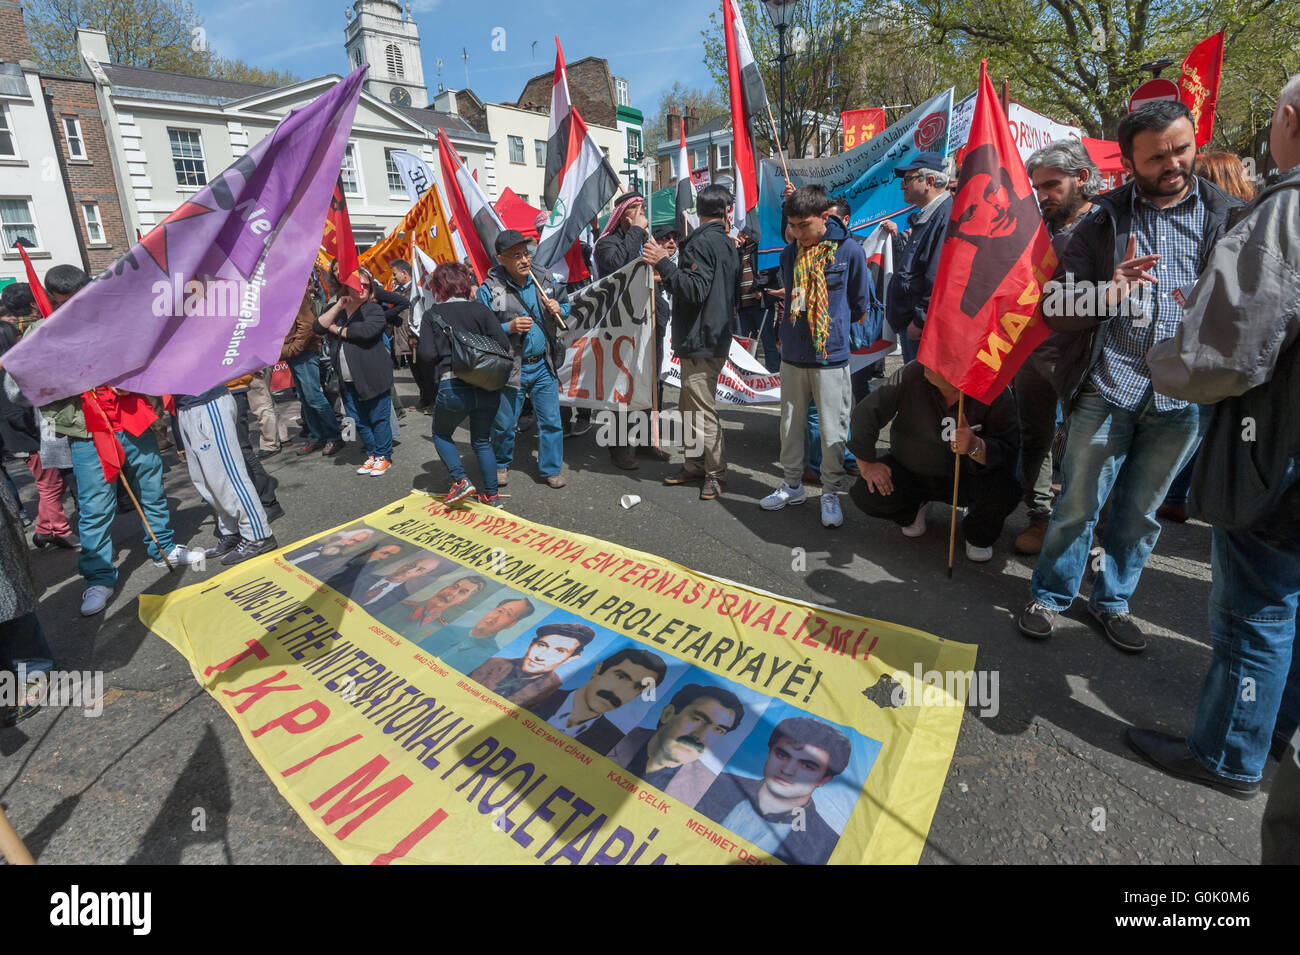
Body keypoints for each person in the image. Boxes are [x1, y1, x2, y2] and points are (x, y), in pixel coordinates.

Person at [1125, 77, 1300, 798]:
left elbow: (1220, 355)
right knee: (1288, 603)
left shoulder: (1283, 214)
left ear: (1288, 116)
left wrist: (1162, 355)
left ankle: (1230, 751)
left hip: (1274, 455)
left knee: (1255, 608)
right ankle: (1271, 736)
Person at [1018, 101, 1244, 652]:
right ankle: (1050, 594)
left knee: (1141, 511)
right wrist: (1106, 291)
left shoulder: (1232, 215)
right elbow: (1055, 308)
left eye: (1182, 149)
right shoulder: (1101, 222)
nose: (1173, 163)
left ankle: (1113, 601)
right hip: (1109, 385)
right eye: (1157, 156)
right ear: (1129, 160)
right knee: (1077, 501)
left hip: (1184, 401)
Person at [33, 265, 204, 616]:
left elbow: (149, 356)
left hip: (131, 420)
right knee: (95, 508)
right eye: (66, 302)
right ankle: (99, 577)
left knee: (152, 487)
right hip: (88, 432)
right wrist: (70, 389)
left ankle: (163, 547)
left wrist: (135, 380)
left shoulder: (116, 316)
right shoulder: (41, 333)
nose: (76, 306)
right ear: (53, 299)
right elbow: (27, 389)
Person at [760, 184, 873, 529]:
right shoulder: (789, 251)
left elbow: (860, 305)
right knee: (790, 424)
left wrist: (827, 326)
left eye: (803, 226)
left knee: (832, 428)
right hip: (793, 353)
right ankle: (792, 484)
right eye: (792, 226)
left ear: (825, 218)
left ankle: (829, 492)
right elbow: (795, 293)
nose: (797, 233)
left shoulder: (849, 251)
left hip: (830, 356)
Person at [1157, 151, 1260, 524]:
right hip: (1228, 344)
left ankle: (1166, 491)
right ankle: (1177, 494)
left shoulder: (1233, 226)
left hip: (1210, 341)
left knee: (1196, 415)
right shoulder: (1251, 222)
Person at [1014, 139, 1101, 555]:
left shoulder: (1107, 227)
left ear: (1082, 178)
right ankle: (1040, 516)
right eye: (1037, 187)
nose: (1043, 195)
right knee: (1035, 439)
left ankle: (1082, 526)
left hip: (1086, 361)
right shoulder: (1036, 227)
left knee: (1087, 449)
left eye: (1052, 185)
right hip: (1031, 355)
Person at [848, 362, 1021, 561]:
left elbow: (1008, 450)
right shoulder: (913, 372)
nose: (929, 360)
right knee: (868, 491)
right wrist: (867, 465)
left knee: (1006, 490)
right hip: (914, 472)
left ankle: (976, 528)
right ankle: (915, 507)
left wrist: (975, 446)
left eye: (941, 358)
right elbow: (866, 413)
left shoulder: (995, 388)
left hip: (971, 478)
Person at [643, 184, 740, 501]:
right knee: (689, 407)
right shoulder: (727, 243)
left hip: (701, 337)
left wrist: (663, 263)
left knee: (700, 409)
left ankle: (714, 472)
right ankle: (696, 464)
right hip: (713, 333)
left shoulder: (700, 244)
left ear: (697, 212)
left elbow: (695, 290)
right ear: (725, 211)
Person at [478, 230, 571, 489]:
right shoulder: (490, 289)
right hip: (510, 368)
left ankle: (550, 469)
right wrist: (509, 327)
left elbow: (566, 306)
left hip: (544, 364)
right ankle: (500, 464)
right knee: (505, 423)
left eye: (526, 253)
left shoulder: (545, 278)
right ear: (501, 259)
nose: (524, 260)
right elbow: (482, 329)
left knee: (551, 421)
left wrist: (558, 308)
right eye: (516, 255)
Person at [696, 716, 850, 865]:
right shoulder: (713, 783)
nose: (788, 770)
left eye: (807, 766)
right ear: (769, 753)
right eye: (782, 755)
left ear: (824, 780)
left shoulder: (827, 846)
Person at [420, 262, 512, 507]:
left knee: (441, 433)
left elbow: (426, 355)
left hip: (452, 384)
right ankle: (492, 495)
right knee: (482, 440)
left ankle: (461, 480)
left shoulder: (432, 315)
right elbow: (503, 344)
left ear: (439, 286)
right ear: (463, 283)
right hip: (486, 384)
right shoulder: (481, 310)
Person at [594, 191, 666, 469]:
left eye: (642, 208)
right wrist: (636, 230)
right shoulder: (606, 244)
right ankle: (619, 447)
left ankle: (647, 441)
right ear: (623, 214)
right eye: (635, 209)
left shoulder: (646, 242)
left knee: (650, 384)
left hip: (651, 321)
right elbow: (617, 267)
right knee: (621, 386)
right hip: (622, 325)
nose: (641, 214)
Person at [174, 383, 277, 566]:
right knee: (206, 480)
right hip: (185, 405)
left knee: (229, 475)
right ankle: (232, 531)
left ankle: (257, 535)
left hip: (207, 401)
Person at [605, 683, 746, 807]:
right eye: (697, 719)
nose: (701, 736)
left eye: (718, 730)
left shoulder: (709, 793)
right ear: (668, 714)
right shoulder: (607, 738)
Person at [314, 267, 396, 477]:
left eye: (367, 285)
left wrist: (337, 330)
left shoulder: (373, 310)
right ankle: (372, 454)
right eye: (358, 284)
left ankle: (383, 456)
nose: (363, 289)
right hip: (346, 380)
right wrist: (338, 306)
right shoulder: (339, 311)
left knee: (378, 417)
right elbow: (318, 327)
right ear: (347, 286)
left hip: (373, 375)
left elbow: (365, 332)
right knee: (357, 420)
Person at [530, 647, 668, 754]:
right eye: (620, 677)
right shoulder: (534, 696)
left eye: (637, 687)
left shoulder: (614, 744)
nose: (620, 692)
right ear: (598, 669)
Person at [883, 150, 952, 363]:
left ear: (929, 181)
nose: (902, 186)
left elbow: (939, 275)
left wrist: (920, 321)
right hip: (913, 324)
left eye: (908, 179)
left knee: (922, 391)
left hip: (921, 329)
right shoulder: (927, 217)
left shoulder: (945, 217)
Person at [469, 622, 597, 708]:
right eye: (542, 645)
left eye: (559, 651)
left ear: (571, 658)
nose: (540, 656)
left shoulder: (554, 691)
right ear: (531, 644)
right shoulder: (491, 663)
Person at [283, 288, 344, 457]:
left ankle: (334, 436)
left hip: (303, 351)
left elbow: (307, 324)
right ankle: (316, 436)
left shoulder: (294, 288)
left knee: (313, 396)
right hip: (293, 351)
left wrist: (293, 348)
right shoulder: (279, 288)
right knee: (305, 397)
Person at [425, 595, 537, 672]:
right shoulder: (448, 630)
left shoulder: (490, 657)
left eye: (507, 614)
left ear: (511, 624)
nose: (495, 617)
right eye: (499, 610)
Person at [391, 573, 487, 636]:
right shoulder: (397, 605)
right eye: (454, 587)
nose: (452, 593)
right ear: (444, 588)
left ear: (462, 601)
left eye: (462, 592)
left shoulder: (441, 631)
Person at [353, 555, 448, 617]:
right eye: (413, 564)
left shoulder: (401, 598)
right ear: (406, 563)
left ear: (422, 575)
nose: (409, 570)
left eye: (419, 570)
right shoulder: (365, 576)